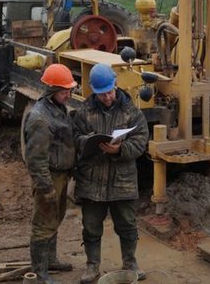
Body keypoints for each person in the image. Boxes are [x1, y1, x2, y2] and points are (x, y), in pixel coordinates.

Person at [73, 63, 149, 283]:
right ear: (93, 91)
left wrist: (120, 150)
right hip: (92, 180)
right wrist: (87, 142)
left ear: (115, 84)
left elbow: (140, 141)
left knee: (127, 224)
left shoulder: (131, 111)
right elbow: (75, 138)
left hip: (122, 180)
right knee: (91, 226)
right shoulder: (84, 112)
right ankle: (92, 266)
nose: (106, 97)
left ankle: (130, 263)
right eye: (101, 94)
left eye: (109, 92)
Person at [23, 63, 77, 284]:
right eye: (65, 91)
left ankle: (51, 260)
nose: (69, 94)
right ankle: (40, 272)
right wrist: (45, 188)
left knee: (56, 218)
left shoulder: (58, 108)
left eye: (69, 90)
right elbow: (35, 160)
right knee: (44, 223)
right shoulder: (40, 119)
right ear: (52, 90)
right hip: (50, 177)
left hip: (61, 175)